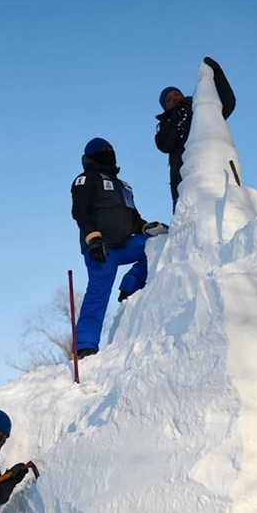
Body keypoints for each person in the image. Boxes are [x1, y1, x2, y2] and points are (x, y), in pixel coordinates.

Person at [71, 137, 164, 359]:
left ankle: (130, 286)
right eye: (105, 150)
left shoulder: (123, 186)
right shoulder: (85, 179)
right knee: (98, 293)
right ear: (93, 154)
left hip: (125, 243)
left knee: (158, 245)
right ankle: (85, 346)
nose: (109, 151)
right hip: (101, 247)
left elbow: (133, 217)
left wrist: (145, 227)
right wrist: (93, 238)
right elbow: (80, 211)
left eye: (111, 149)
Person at [155, 57, 236, 208]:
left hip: (213, 172)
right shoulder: (165, 126)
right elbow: (164, 145)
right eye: (169, 99)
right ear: (165, 107)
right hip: (183, 182)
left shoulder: (199, 109)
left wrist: (216, 73)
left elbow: (227, 104)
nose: (175, 98)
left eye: (176, 95)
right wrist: (177, 118)